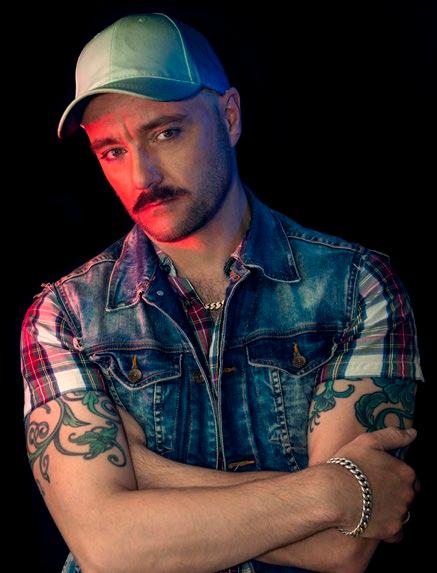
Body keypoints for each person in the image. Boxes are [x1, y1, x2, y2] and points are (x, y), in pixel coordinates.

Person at [21, 12, 424, 573]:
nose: (142, 176)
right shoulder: (64, 314)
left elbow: (343, 546)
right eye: (112, 151)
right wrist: (331, 491)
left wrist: (145, 472)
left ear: (229, 116)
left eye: (166, 132)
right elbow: (108, 547)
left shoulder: (357, 285)